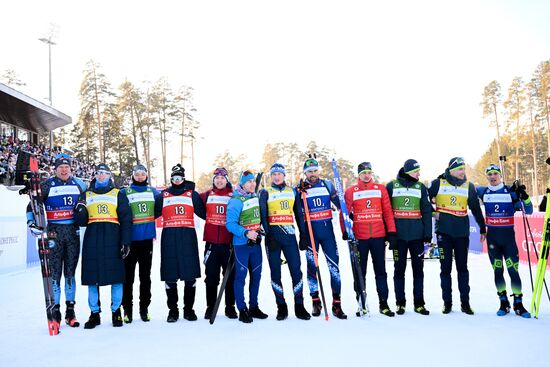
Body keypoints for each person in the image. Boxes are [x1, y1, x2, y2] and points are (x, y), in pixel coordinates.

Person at [26, 154, 87, 327]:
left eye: (66, 166)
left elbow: (89, 201)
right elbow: (32, 205)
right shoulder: (47, 185)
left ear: (71, 168)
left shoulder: (80, 184)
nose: (64, 169)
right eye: (60, 167)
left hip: (72, 232)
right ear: (55, 168)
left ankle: (70, 312)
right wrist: (31, 223)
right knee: (54, 275)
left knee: (70, 274)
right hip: (53, 233)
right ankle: (56, 312)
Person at [74, 163, 133, 329]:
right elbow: (81, 221)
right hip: (93, 238)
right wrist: (79, 211)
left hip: (113, 237)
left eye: (104, 173)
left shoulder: (118, 194)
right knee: (92, 277)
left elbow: (126, 219)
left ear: (109, 176)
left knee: (116, 277)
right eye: (98, 173)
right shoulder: (86, 194)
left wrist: (126, 241)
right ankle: (94, 313)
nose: (101, 176)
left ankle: (116, 312)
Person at [428, 157, 486, 315]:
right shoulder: (438, 183)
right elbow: (423, 201)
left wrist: (482, 227)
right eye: (460, 169)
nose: (463, 172)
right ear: (451, 169)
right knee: (445, 269)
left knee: (462, 269)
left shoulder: (469, 186)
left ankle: (465, 303)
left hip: (461, 234)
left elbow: (475, 208)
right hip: (443, 234)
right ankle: (447, 303)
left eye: (464, 169)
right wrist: (433, 213)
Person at [476, 164, 532, 317]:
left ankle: (519, 304)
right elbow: (465, 191)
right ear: (487, 176)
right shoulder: (482, 191)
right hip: (493, 240)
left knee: (513, 270)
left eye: (495, 173)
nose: (492, 176)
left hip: (508, 241)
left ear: (500, 175)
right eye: (489, 174)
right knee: (498, 270)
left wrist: (524, 197)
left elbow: (529, 210)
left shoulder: (509, 191)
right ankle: (503, 302)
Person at [343, 161, 397, 317]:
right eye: (363, 173)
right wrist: (345, 231)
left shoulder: (380, 189)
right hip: (360, 238)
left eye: (369, 172)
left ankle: (384, 303)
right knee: (360, 272)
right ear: (358, 175)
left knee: (381, 272)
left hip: (379, 237)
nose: (367, 175)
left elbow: (388, 212)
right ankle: (361, 303)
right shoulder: (351, 191)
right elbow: (344, 214)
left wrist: (391, 232)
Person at [154, 164, 206, 322]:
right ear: (171, 179)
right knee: (170, 273)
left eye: (180, 178)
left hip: (187, 236)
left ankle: (189, 309)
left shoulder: (192, 194)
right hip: (169, 236)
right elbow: (152, 214)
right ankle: (173, 310)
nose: (177, 181)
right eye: (174, 178)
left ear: (184, 178)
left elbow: (205, 214)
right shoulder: (163, 195)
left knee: (190, 274)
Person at [259, 163, 311, 320]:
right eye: (273, 174)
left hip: (290, 237)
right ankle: (281, 306)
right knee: (276, 272)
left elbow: (299, 215)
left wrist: (303, 235)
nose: (276, 176)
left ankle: (299, 306)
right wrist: (268, 235)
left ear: (284, 175)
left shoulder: (292, 191)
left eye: (279, 174)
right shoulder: (265, 192)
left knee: (296, 270)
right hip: (273, 237)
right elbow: (262, 215)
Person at [297, 157, 347, 319]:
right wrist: (302, 234)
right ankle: (315, 301)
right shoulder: (299, 189)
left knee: (334, 268)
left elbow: (341, 206)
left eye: (315, 170)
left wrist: (347, 219)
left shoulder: (327, 185)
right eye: (309, 171)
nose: (313, 174)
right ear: (305, 173)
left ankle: (337, 304)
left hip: (328, 235)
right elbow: (296, 212)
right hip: (311, 235)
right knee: (312, 269)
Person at [386, 159, 433, 315]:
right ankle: (400, 303)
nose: (419, 173)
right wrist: (389, 234)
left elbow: (427, 211)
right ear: (407, 171)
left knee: (418, 270)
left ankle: (419, 303)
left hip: (417, 237)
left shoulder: (421, 187)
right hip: (398, 237)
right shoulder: (392, 185)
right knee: (399, 270)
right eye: (416, 171)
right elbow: (385, 210)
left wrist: (427, 235)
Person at [226, 170, 268, 323]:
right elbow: (230, 224)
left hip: (255, 244)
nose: (252, 184)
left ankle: (254, 307)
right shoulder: (236, 200)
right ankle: (242, 309)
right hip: (242, 244)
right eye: (248, 182)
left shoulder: (254, 196)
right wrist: (245, 233)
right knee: (241, 277)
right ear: (242, 184)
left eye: (253, 181)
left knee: (256, 276)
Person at [120, 164, 160, 323]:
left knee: (145, 277)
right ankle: (127, 310)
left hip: (146, 240)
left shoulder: (153, 192)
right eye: (137, 174)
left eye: (143, 174)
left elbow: (159, 208)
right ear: (133, 176)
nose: (140, 176)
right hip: (130, 241)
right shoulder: (125, 192)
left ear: (146, 176)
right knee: (128, 277)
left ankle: (144, 309)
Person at [199, 167, 238, 320]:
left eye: (222, 178)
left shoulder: (233, 196)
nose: (219, 180)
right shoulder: (207, 194)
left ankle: (230, 307)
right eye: (216, 178)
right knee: (211, 277)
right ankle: (211, 307)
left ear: (226, 180)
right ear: (213, 180)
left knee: (230, 276)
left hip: (229, 243)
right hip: (211, 243)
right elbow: (195, 203)